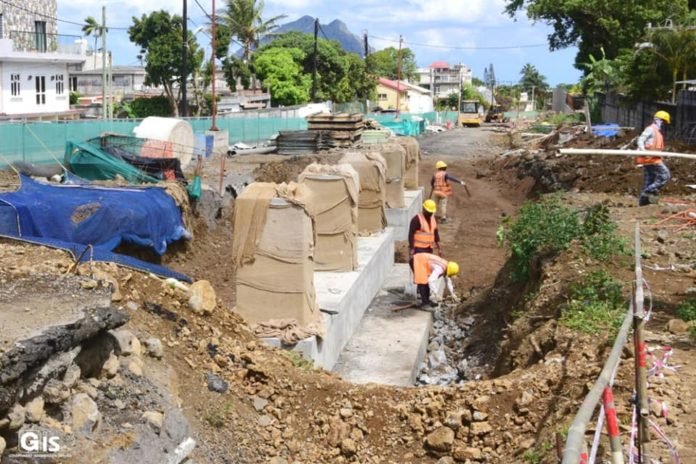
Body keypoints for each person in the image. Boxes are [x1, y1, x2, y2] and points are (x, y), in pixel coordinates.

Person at [636, 110, 672, 206]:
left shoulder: (658, 132)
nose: (664, 124)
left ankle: (643, 203)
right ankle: (647, 193)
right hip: (651, 159)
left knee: (650, 180)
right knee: (665, 175)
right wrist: (642, 150)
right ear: (657, 120)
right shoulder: (651, 129)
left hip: (651, 159)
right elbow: (641, 139)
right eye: (663, 121)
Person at [408, 200, 441, 271]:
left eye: (431, 212)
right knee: (419, 267)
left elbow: (435, 232)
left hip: (429, 248)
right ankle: (419, 281)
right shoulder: (416, 219)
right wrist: (412, 248)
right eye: (428, 212)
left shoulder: (433, 218)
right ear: (424, 209)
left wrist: (439, 247)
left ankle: (424, 280)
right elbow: (411, 234)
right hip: (418, 249)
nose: (430, 214)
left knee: (426, 267)